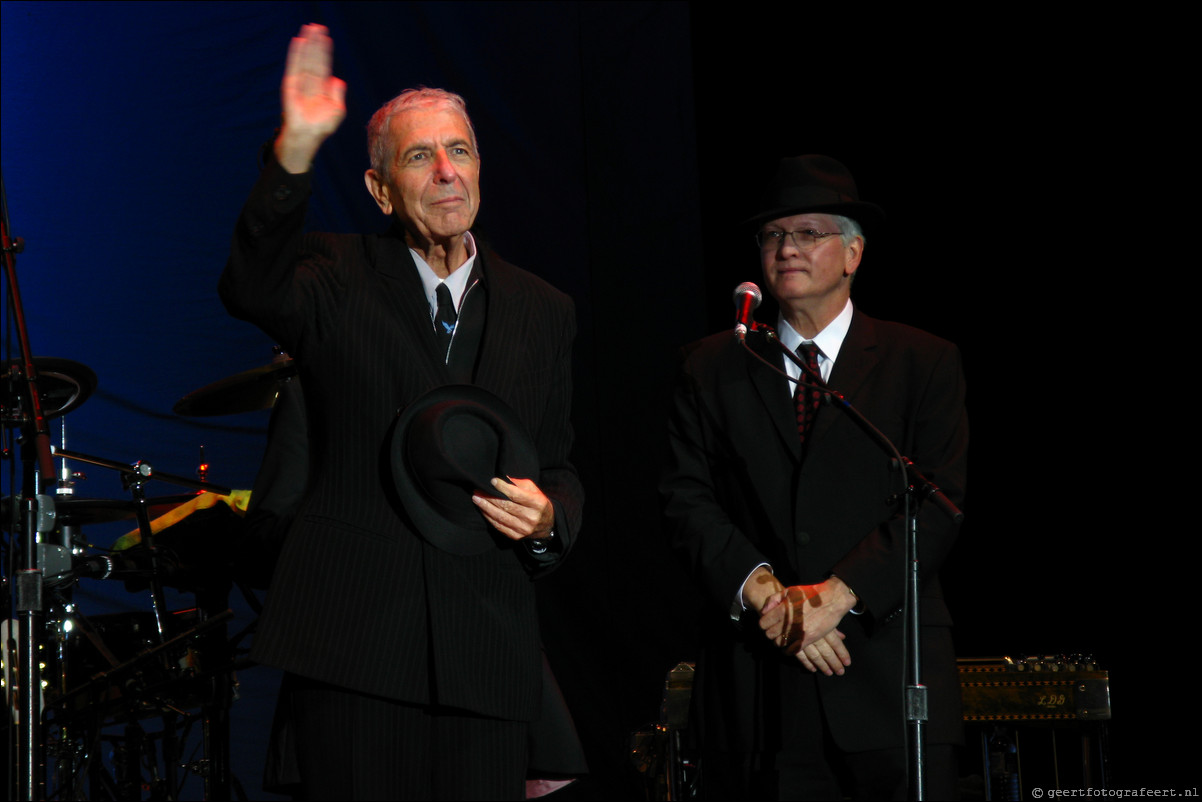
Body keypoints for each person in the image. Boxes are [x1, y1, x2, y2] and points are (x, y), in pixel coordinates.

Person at [218, 24, 583, 800]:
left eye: (461, 152)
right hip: (355, 649)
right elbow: (249, 285)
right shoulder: (332, 275)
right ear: (381, 189)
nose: (447, 173)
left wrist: (552, 518)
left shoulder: (543, 310)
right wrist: (295, 151)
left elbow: (557, 461)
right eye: (420, 157)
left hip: (485, 654)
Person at [660, 154, 967, 800]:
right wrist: (773, 600)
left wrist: (836, 595)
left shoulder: (923, 363)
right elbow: (685, 501)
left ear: (853, 254)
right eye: (773, 236)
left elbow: (937, 502)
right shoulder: (713, 366)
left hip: (886, 681)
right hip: (761, 695)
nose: (787, 248)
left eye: (807, 233)